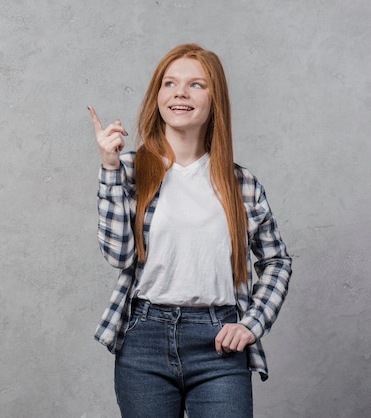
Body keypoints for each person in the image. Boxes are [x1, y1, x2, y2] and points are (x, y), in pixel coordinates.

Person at [87, 43, 292, 417]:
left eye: (196, 84)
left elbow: (276, 261)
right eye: (170, 83)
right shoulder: (130, 170)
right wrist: (109, 168)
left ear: (215, 100)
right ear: (158, 96)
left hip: (218, 342)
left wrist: (252, 323)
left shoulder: (241, 184)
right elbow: (118, 255)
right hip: (144, 340)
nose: (180, 92)